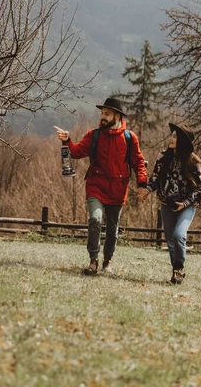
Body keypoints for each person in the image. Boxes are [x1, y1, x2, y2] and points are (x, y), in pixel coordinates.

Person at [55, 98, 148, 275]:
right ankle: (93, 261)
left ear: (117, 116)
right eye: (102, 114)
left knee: (112, 230)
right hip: (95, 186)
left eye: (107, 114)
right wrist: (67, 140)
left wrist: (143, 184)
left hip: (118, 189)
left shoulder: (130, 138)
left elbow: (138, 162)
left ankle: (107, 261)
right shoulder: (94, 135)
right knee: (96, 219)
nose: (102, 117)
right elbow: (76, 152)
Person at [138, 123, 201, 284]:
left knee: (179, 235)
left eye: (175, 136)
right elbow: (155, 178)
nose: (171, 138)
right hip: (167, 204)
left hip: (186, 206)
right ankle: (176, 272)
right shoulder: (163, 157)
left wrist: (184, 204)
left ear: (183, 141)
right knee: (170, 239)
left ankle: (179, 267)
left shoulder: (193, 162)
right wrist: (147, 191)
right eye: (172, 135)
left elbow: (200, 188)